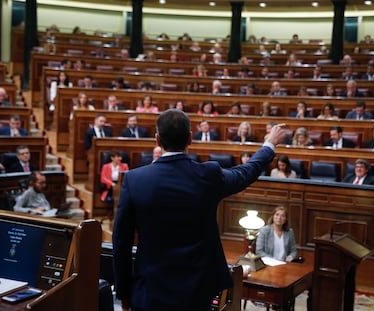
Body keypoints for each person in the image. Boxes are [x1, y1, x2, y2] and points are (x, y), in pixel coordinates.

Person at [112, 109, 285, 310]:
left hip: (150, 289)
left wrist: (124, 293)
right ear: (190, 138)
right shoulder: (208, 175)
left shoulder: (134, 180)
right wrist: (269, 145)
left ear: (157, 140)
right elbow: (245, 173)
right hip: (196, 291)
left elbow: (121, 242)